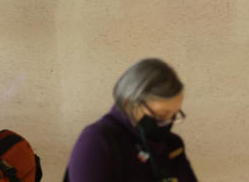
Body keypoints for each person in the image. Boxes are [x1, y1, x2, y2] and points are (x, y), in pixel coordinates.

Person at [66, 58, 197, 182]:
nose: (168, 121)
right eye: (161, 115)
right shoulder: (97, 141)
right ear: (130, 104)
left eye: (174, 115)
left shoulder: (173, 144)